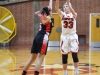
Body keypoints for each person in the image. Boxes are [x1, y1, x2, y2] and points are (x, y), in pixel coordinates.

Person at [22, 5, 53, 75]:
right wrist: (47, 19)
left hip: (37, 37)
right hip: (43, 38)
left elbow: (49, 6)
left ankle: (23, 73)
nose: (51, 11)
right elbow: (45, 22)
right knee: (40, 59)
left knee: (31, 59)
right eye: (50, 10)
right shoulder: (47, 17)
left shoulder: (43, 16)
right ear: (48, 11)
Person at [55, 0, 79, 75]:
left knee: (74, 54)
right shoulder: (62, 15)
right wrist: (57, 1)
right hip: (64, 37)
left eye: (66, 6)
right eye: (64, 6)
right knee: (64, 55)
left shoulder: (74, 14)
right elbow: (56, 9)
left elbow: (74, 12)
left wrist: (69, 4)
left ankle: (76, 72)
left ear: (70, 7)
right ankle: (65, 72)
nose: (65, 7)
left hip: (73, 36)